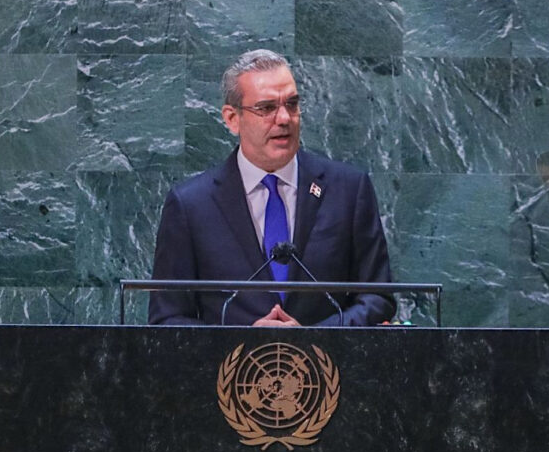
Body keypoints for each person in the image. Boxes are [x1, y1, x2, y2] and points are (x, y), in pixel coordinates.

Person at [148, 49, 395, 326]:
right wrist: (245, 341)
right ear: (232, 119)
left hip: (326, 355)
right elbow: (167, 319)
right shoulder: (191, 205)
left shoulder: (348, 191)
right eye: (266, 108)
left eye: (292, 104)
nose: (284, 118)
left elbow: (377, 299)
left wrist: (311, 338)